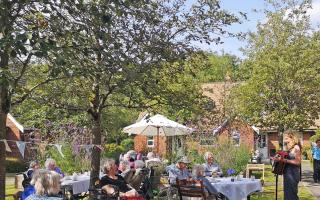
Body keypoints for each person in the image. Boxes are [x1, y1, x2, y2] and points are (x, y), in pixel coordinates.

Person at [273, 130, 301, 200]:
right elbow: (285, 159)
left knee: (292, 195)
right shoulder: (289, 148)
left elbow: (298, 162)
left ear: (292, 138)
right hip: (287, 173)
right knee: (287, 194)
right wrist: (278, 159)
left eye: (286, 138)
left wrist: (284, 160)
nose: (284, 140)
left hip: (293, 174)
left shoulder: (296, 147)